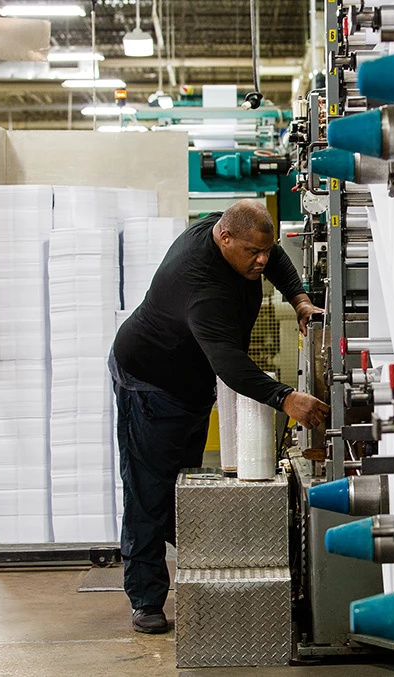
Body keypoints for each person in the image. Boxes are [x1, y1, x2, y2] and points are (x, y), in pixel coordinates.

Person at [109, 199, 329, 634]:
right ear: (224, 239)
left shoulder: (230, 233)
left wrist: (299, 299)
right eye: (252, 253)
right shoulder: (202, 286)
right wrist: (286, 399)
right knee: (147, 492)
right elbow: (228, 361)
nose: (262, 260)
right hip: (151, 385)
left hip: (189, 385)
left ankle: (199, 566)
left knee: (182, 486)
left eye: (263, 251)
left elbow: (274, 254)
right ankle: (146, 598)